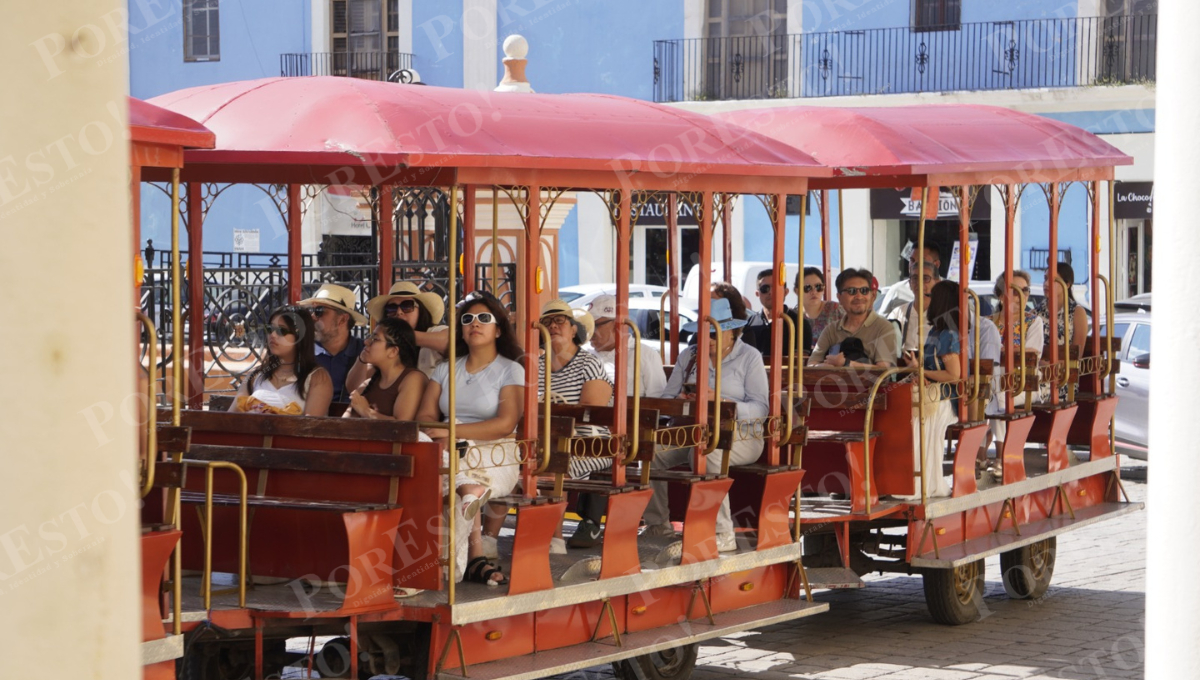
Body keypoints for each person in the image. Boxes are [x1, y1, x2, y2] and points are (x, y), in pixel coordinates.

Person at [643, 297, 769, 553]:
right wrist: (682, 401)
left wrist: (722, 402)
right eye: (703, 332)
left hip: (742, 436)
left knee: (707, 452)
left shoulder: (749, 357)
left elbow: (761, 410)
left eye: (713, 332)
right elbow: (667, 399)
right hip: (693, 431)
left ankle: (721, 532)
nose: (707, 338)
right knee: (651, 451)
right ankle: (658, 526)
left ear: (732, 331)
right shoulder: (689, 355)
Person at [416, 295, 525, 586]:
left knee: (449, 475)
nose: (474, 324)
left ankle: (443, 568)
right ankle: (458, 559)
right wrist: (447, 432)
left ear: (498, 330)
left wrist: (454, 430)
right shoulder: (445, 368)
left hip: (496, 456)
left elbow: (506, 424)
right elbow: (425, 416)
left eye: (484, 319)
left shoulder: (510, 369)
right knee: (432, 456)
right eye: (467, 319)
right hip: (452, 451)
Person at [535, 300, 614, 550]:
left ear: (573, 330)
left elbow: (589, 414)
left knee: (551, 464)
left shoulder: (588, 363)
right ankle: (489, 540)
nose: (553, 326)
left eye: (560, 321)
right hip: (545, 441)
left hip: (589, 444)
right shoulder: (535, 367)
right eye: (547, 322)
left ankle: (554, 539)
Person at [900, 280, 961, 499]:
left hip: (946, 399)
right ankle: (917, 482)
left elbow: (954, 375)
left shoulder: (949, 335)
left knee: (920, 425)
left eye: (931, 297)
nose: (927, 301)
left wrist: (923, 372)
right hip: (934, 394)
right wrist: (917, 369)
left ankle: (921, 485)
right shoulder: (937, 331)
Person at [984, 270, 1045, 480]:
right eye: (1015, 291)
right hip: (993, 383)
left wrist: (1001, 351)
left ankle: (999, 455)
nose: (1022, 295)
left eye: (1025, 290)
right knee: (985, 391)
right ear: (1001, 295)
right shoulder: (987, 322)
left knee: (999, 393)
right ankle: (981, 449)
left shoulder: (1034, 322)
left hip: (1024, 384)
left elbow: (1031, 352)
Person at [229, 306, 333, 416]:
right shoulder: (255, 375)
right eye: (269, 329)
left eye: (281, 330)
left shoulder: (318, 378)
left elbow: (310, 428)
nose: (272, 335)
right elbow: (231, 419)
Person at [350, 282, 449, 393]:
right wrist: (364, 355)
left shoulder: (434, 332)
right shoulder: (383, 346)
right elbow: (353, 388)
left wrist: (401, 335)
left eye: (407, 306)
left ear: (420, 311)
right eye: (391, 308)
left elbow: (452, 342)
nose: (399, 312)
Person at [809, 269, 898, 368]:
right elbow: (811, 364)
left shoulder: (883, 327)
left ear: (871, 295)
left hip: (871, 383)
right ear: (839, 297)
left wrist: (846, 363)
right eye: (852, 291)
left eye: (864, 291)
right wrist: (826, 367)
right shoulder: (831, 330)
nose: (859, 296)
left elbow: (883, 370)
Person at [584, 294, 667, 400]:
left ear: (616, 324)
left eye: (595, 325)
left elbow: (658, 400)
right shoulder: (585, 355)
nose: (590, 331)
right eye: (587, 326)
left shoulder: (645, 355)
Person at [343, 317, 427, 421]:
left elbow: (402, 427)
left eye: (375, 339)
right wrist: (362, 358)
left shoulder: (413, 379)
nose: (366, 342)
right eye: (369, 336)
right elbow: (344, 422)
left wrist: (366, 412)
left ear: (393, 351)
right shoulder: (370, 382)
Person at [298, 283, 367, 403]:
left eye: (319, 311)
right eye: (311, 310)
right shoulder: (301, 351)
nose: (312, 316)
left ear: (342, 319)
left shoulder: (365, 352)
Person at [743, 269, 812, 359]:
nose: (770, 292)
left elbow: (798, 363)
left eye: (776, 287)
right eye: (765, 289)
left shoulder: (800, 324)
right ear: (757, 293)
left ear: (786, 292)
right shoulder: (749, 323)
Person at [889, 245, 942, 354]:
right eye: (915, 279)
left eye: (926, 278)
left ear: (937, 282)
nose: (919, 283)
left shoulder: (944, 315)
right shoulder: (897, 314)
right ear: (909, 283)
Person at [799, 267, 841, 349]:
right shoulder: (794, 316)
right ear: (797, 290)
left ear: (824, 288)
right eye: (807, 288)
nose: (814, 292)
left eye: (818, 287)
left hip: (832, 360)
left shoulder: (836, 309)